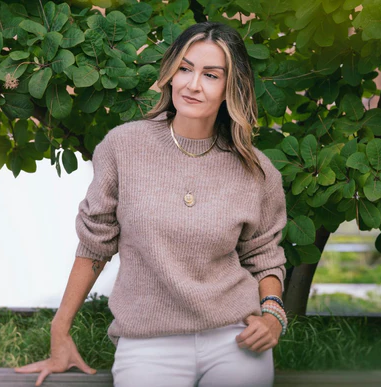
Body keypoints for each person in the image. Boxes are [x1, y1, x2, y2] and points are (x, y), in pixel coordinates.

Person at [14, 21, 288, 387]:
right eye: (185, 68)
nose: (192, 84)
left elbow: (264, 256)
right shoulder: (123, 147)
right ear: (171, 73)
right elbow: (96, 244)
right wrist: (60, 331)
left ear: (229, 88)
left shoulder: (256, 170)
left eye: (210, 75)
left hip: (234, 338)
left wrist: (272, 315)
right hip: (148, 341)